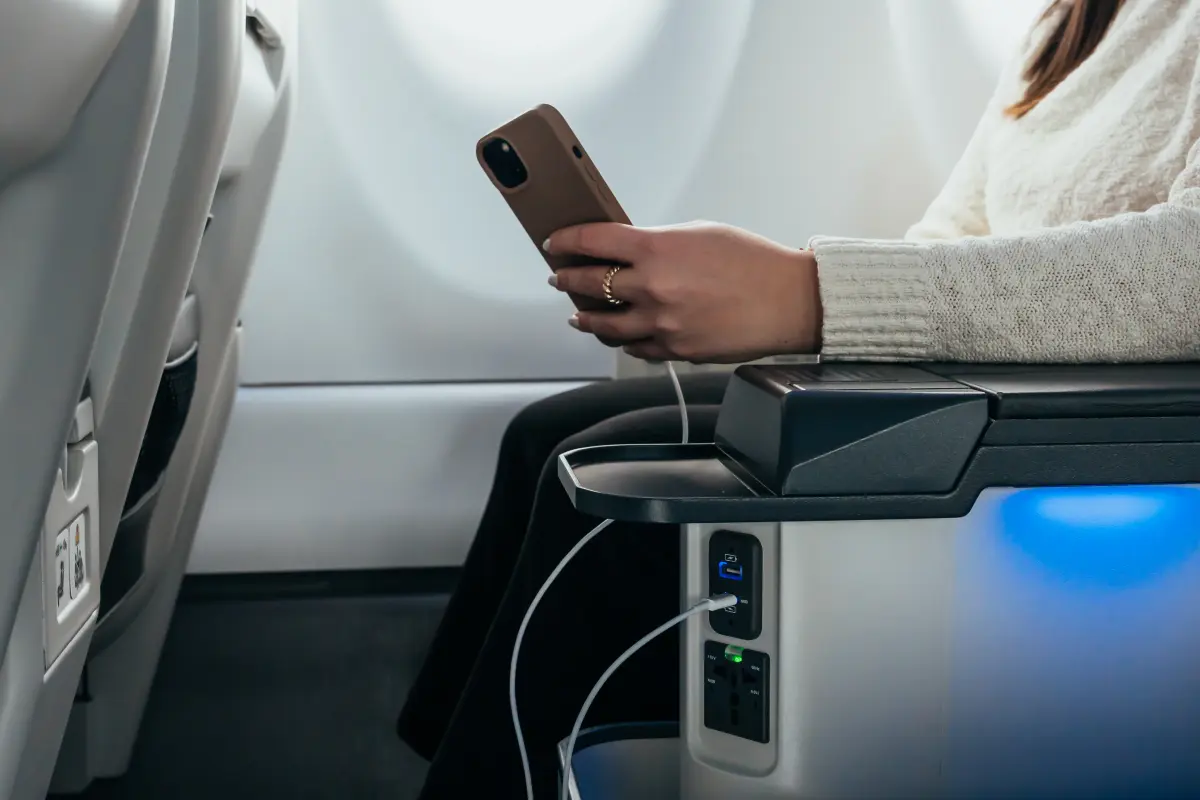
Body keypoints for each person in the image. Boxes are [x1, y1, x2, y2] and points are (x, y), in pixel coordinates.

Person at [399, 0, 1200, 795]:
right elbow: (962, 236)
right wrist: (758, 317)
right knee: (557, 433)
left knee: (622, 496)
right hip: (1006, 379)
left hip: (1095, 437)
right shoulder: (1076, 16)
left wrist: (804, 294)